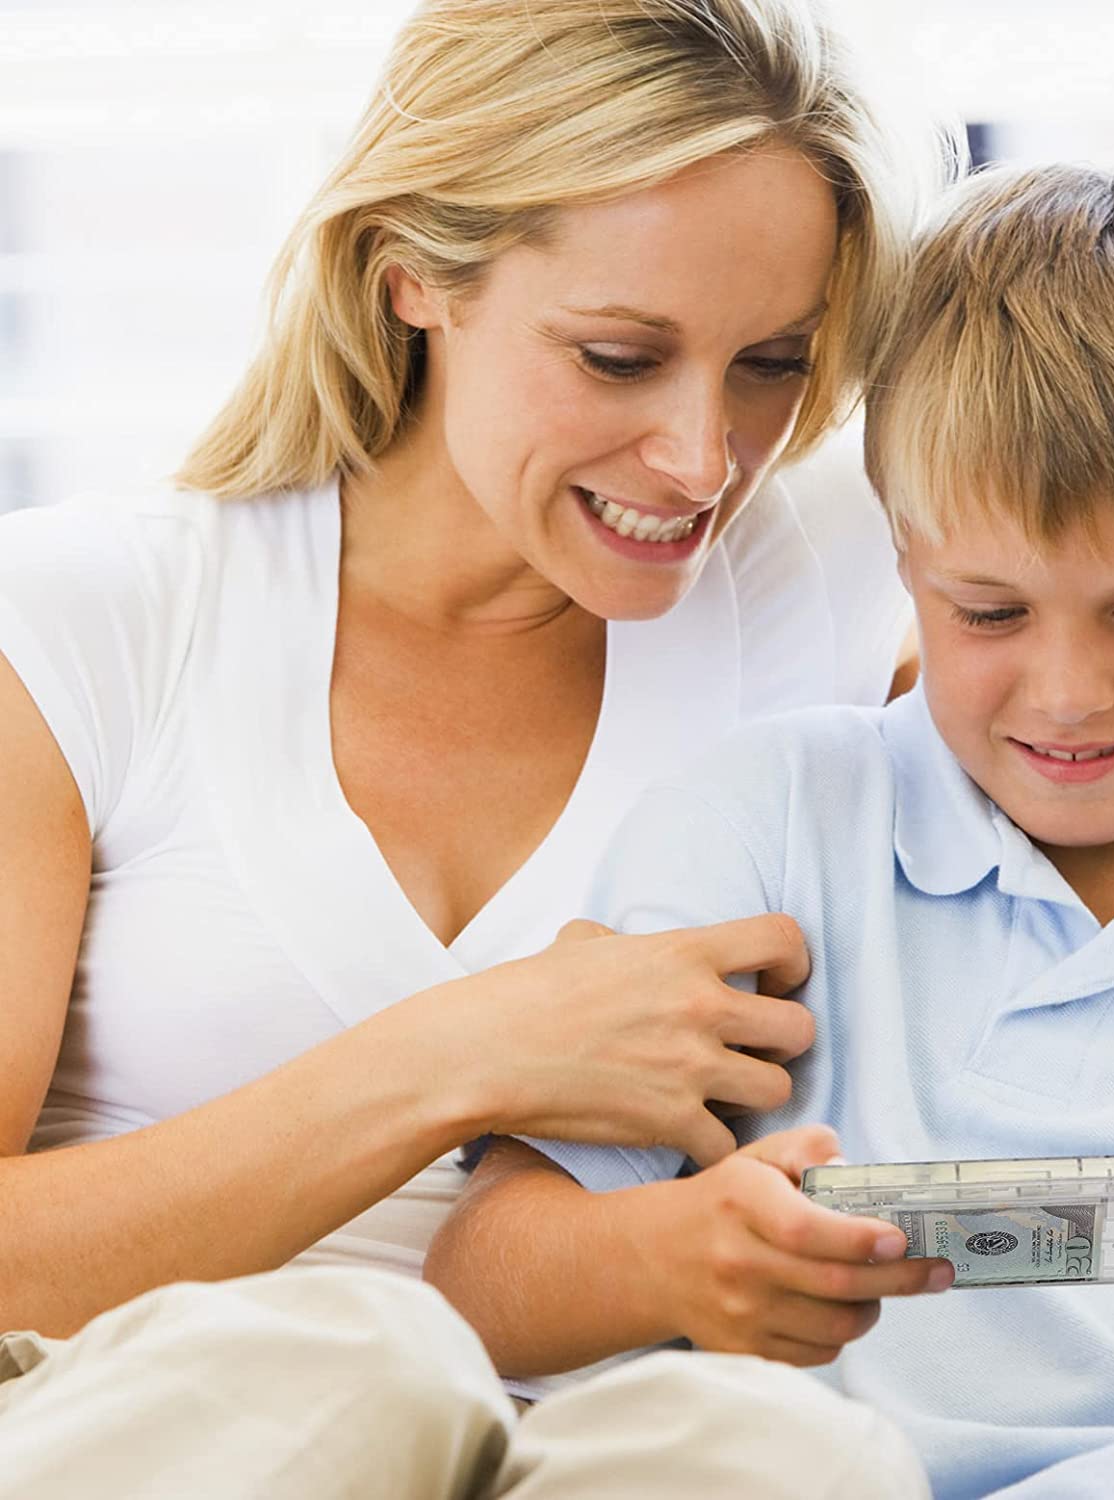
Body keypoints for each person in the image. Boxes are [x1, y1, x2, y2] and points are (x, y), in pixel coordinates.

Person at [426, 163, 1114, 1498]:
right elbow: (482, 1277)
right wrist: (676, 1253)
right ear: (904, 557)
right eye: (989, 613)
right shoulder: (761, 825)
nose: (1069, 694)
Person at [0, 1, 949, 1493]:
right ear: (409, 279)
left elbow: (1089, 743)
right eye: (621, 357)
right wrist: (466, 1053)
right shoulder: (86, 625)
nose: (704, 460)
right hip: (145, 1409)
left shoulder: (830, 577)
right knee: (372, 1363)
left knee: (777, 1453)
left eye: (771, 362)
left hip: (579, 1431)